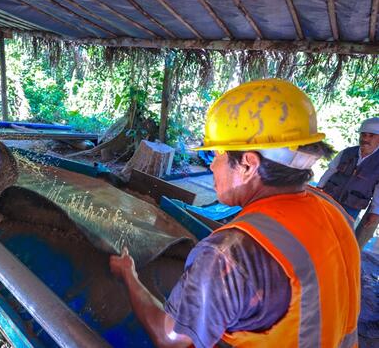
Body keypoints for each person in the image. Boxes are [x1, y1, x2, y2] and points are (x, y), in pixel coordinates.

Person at [110, 79, 360, 348]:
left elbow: (170, 338)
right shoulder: (332, 209)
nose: (213, 165)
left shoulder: (228, 254)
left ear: (248, 164)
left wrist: (129, 276)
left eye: (217, 153)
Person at [318, 117, 379, 247]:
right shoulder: (347, 153)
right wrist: (318, 189)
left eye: (371, 136)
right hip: (330, 197)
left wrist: (375, 211)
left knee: (339, 234)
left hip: (352, 204)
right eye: (363, 134)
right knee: (319, 227)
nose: (365, 139)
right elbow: (330, 171)